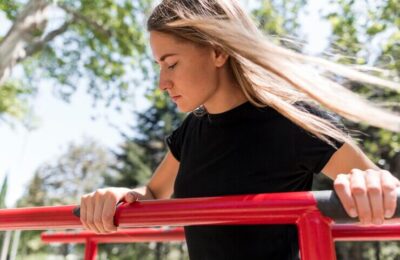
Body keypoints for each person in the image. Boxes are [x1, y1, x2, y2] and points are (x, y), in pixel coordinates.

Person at [79, 0, 400, 259]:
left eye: (171, 63)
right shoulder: (191, 131)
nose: (162, 83)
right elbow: (152, 195)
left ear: (218, 51)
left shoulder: (293, 121)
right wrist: (122, 196)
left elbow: (384, 189)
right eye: (159, 66)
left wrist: (370, 182)